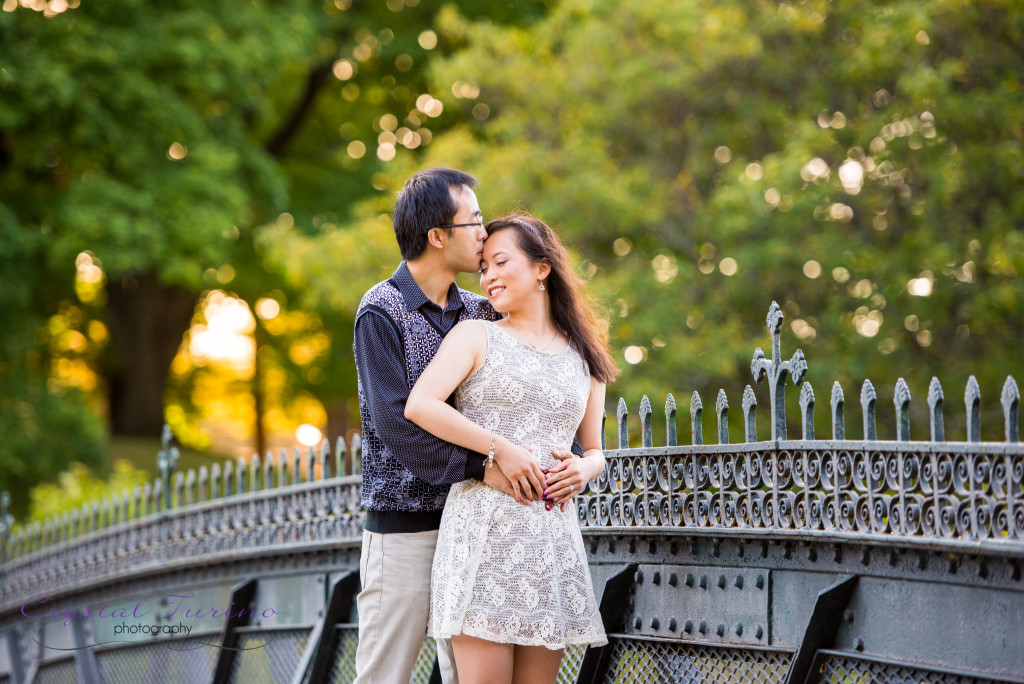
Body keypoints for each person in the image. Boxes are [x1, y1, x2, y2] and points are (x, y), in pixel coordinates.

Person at [351, 169, 551, 684]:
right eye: (475, 221)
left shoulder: (482, 313)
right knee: (383, 675)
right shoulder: (382, 310)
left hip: (476, 528)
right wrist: (480, 467)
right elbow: (395, 423)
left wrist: (569, 453)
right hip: (404, 528)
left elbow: (519, 394)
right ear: (438, 236)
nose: (485, 233)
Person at [405, 213, 619, 684]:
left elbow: (595, 449)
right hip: (484, 533)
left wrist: (586, 471)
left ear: (542, 268)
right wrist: (499, 448)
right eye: (483, 267)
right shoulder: (476, 336)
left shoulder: (586, 356)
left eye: (500, 262)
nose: (488, 277)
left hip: (548, 540)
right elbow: (420, 405)